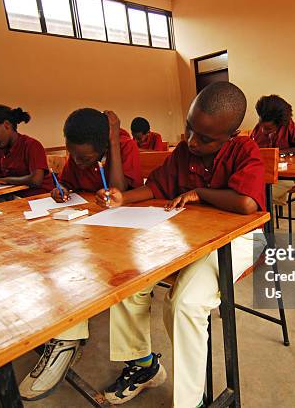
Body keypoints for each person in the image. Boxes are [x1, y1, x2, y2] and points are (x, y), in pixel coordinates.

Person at [95, 82, 266, 407]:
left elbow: (246, 205)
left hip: (241, 239)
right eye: (190, 130)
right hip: (192, 239)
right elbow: (158, 186)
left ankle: (191, 402)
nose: (192, 141)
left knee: (184, 303)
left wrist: (201, 193)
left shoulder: (245, 151)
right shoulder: (186, 151)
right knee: (127, 278)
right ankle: (144, 366)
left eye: (204, 138)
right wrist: (122, 199)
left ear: (232, 135)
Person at [19, 108, 142, 401]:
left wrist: (112, 140)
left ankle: (66, 339)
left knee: (76, 265)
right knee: (53, 256)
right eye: (72, 155)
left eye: (85, 158)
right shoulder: (79, 150)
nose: (77, 161)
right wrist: (60, 192)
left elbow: (119, 192)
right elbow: (69, 184)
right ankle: (66, 335)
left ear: (103, 146)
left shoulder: (123, 145)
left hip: (124, 231)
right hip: (87, 226)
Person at [250, 95, 295, 205]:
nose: (263, 131)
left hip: (284, 175)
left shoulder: (288, 126)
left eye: (268, 128)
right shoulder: (257, 130)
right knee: (253, 192)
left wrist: (278, 153)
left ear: (280, 125)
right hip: (264, 174)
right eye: (261, 126)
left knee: (258, 197)